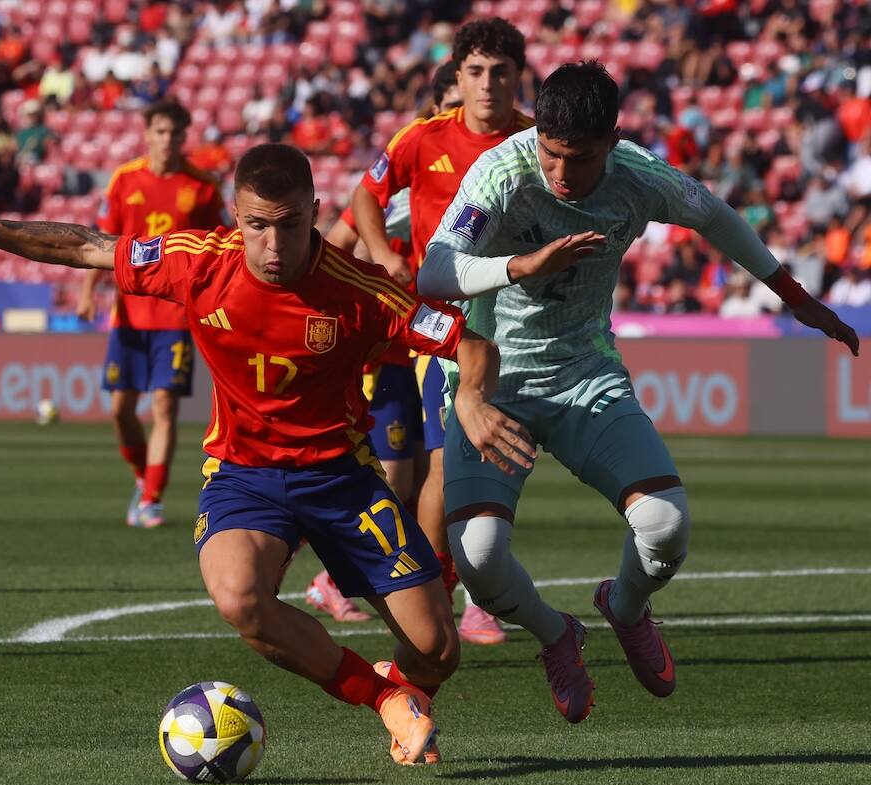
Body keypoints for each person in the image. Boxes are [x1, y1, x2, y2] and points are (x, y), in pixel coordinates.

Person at [0, 143, 531, 765]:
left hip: (342, 480)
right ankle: (384, 701)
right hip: (245, 475)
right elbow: (86, 246)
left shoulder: (359, 290)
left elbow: (469, 342)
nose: (273, 246)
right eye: (257, 226)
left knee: (437, 650)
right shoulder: (199, 262)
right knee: (241, 599)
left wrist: (473, 401)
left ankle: (407, 691)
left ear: (315, 213)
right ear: (235, 217)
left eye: (290, 225)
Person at [419, 61, 859, 724]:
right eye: (552, 153)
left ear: (612, 141)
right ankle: (555, 634)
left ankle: (623, 606)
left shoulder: (638, 176)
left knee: (667, 526)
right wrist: (521, 264)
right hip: (491, 386)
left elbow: (714, 217)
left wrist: (794, 296)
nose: (562, 174)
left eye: (581, 158)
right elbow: (434, 271)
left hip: (584, 374)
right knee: (478, 558)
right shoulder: (502, 172)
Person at [348, 18, 535, 645]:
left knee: (495, 461)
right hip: (444, 329)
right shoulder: (423, 138)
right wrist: (382, 251)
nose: (488, 84)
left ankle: (459, 586)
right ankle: (438, 592)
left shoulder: (536, 142)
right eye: (476, 72)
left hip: (520, 327)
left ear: (518, 76)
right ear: (457, 78)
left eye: (501, 72)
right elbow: (365, 196)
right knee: (445, 463)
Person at [306, 60, 463, 624]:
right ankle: (338, 575)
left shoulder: (477, 184)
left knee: (430, 475)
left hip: (430, 342)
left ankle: (431, 584)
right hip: (388, 351)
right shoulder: (399, 188)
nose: (455, 109)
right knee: (397, 474)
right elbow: (336, 245)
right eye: (446, 99)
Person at [77, 99, 224, 529]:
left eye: (175, 133)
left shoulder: (202, 186)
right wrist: (88, 292)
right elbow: (103, 241)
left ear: (184, 137)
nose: (168, 141)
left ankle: (153, 499)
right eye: (160, 132)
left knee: (164, 405)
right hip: (128, 313)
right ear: (148, 134)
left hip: (176, 315)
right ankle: (144, 477)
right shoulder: (125, 179)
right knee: (120, 409)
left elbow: (219, 245)